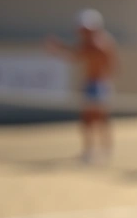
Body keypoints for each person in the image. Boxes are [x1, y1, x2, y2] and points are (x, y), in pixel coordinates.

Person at [45, 9, 117, 163]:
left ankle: (104, 149)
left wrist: (59, 48)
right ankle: (92, 150)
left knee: (99, 117)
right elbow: (77, 54)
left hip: (99, 84)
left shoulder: (99, 43)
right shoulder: (91, 43)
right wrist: (60, 49)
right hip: (92, 84)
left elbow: (79, 55)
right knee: (88, 119)